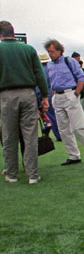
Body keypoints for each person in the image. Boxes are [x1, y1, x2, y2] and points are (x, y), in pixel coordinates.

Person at [0, 21, 49, 184]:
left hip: (6, 96)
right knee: (30, 136)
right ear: (13, 33)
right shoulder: (28, 49)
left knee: (9, 136)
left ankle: (12, 174)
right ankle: (33, 175)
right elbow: (39, 75)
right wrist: (44, 96)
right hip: (28, 94)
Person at [44, 39, 84, 165]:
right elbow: (52, 83)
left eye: (52, 51)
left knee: (78, 126)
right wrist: (53, 96)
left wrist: (76, 94)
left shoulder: (69, 61)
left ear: (60, 51)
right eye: (48, 52)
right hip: (57, 97)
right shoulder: (50, 65)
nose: (50, 54)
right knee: (63, 129)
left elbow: (81, 78)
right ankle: (73, 155)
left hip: (70, 94)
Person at [38, 52, 61, 141]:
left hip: (45, 96)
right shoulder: (52, 68)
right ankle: (59, 133)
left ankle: (58, 134)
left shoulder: (40, 71)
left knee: (49, 117)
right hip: (54, 93)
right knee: (56, 115)